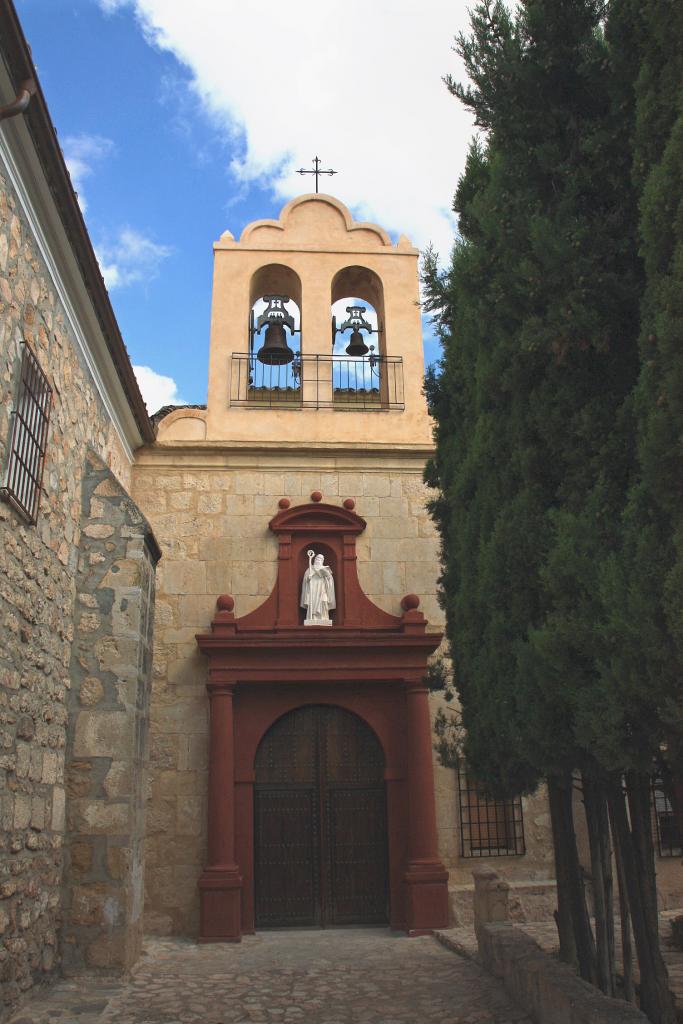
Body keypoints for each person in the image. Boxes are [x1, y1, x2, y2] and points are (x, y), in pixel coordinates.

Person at [301, 550, 336, 625]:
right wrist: (309, 578)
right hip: (313, 589)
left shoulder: (325, 568)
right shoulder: (310, 569)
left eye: (320, 559)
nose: (318, 560)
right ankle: (312, 618)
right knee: (313, 603)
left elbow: (330, 581)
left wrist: (328, 576)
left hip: (322, 588)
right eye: (317, 558)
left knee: (324, 601)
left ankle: (323, 617)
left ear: (322, 561)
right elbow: (306, 580)